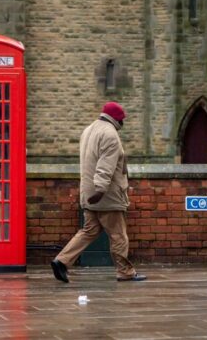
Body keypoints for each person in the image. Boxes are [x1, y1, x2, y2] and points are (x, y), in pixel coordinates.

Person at [51, 102, 146, 283]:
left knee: (89, 230)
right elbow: (105, 166)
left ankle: (61, 261)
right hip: (106, 195)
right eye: (122, 120)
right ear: (117, 119)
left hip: (88, 193)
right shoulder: (110, 134)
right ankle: (125, 272)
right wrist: (101, 190)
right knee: (118, 235)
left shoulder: (88, 130)